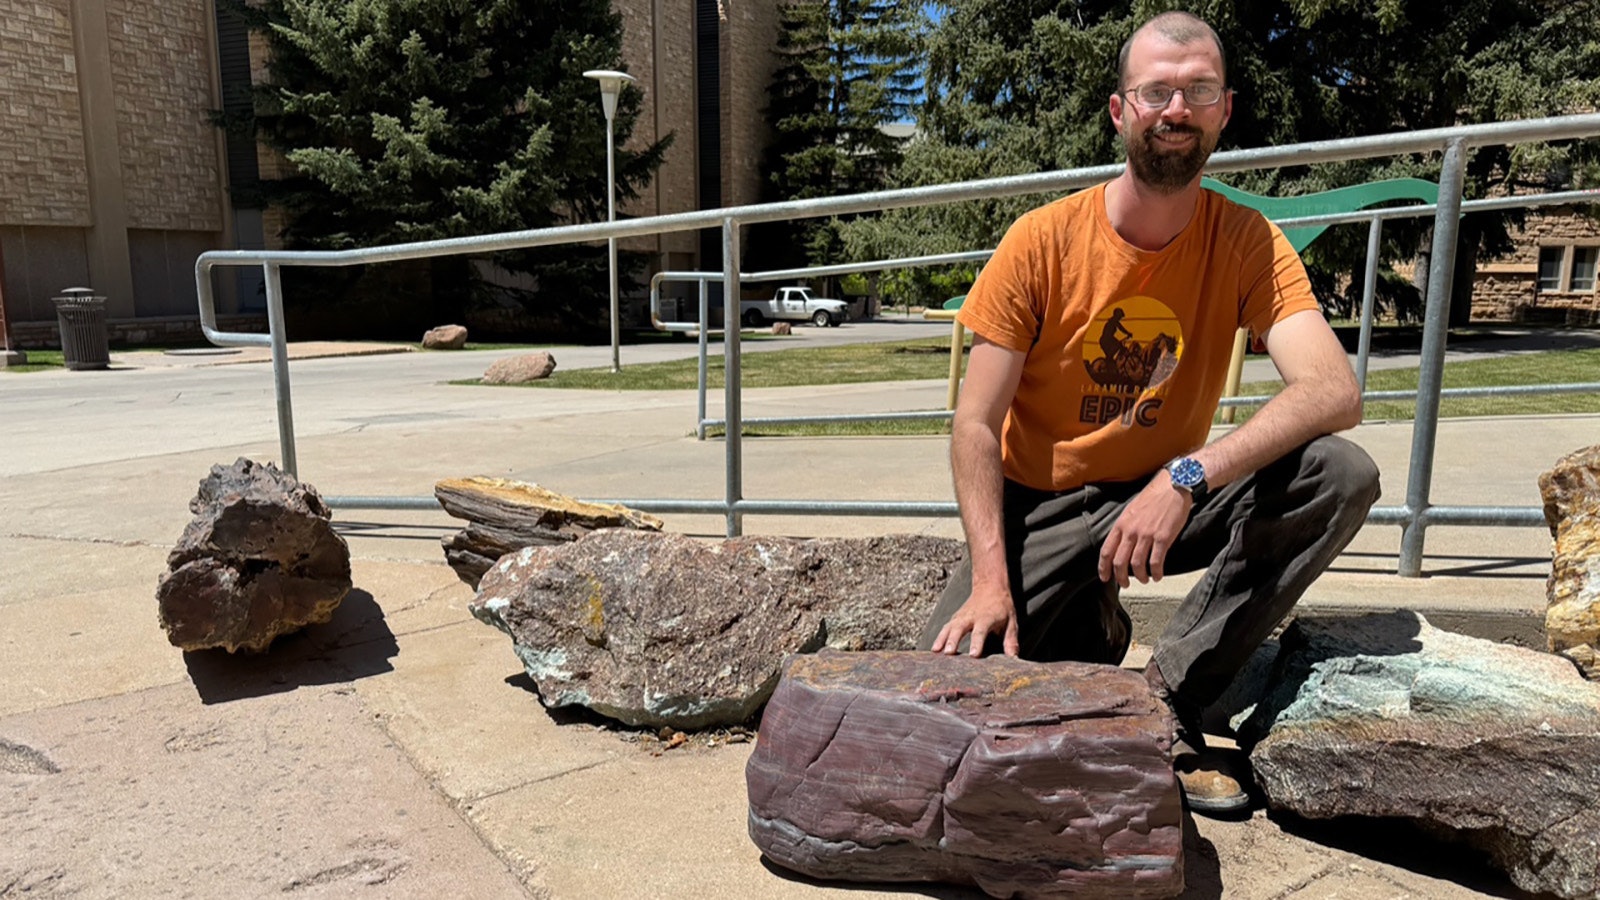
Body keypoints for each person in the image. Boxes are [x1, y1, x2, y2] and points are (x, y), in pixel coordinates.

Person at [917, 10, 1381, 815]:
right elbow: (974, 425)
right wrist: (991, 578)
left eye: (1198, 90)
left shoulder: (1247, 242)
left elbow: (1333, 391)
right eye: (1157, 90)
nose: (1177, 109)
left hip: (1165, 496)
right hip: (1043, 506)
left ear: (1224, 110)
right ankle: (1086, 623)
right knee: (950, 703)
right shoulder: (1041, 242)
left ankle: (1169, 699)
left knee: (1340, 474)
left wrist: (1188, 475)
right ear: (1120, 110)